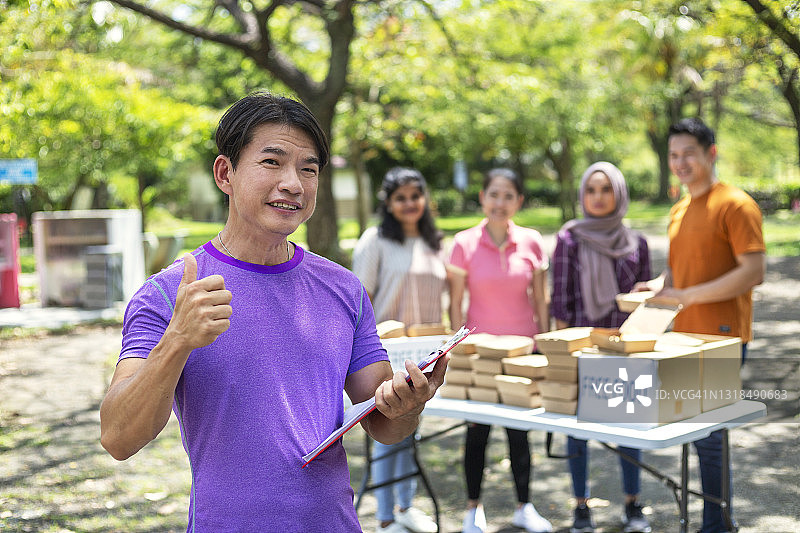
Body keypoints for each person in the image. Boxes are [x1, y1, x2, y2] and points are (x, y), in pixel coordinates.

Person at [99, 92, 449, 532]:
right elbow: (118, 437)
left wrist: (409, 405)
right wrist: (178, 339)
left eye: (309, 169)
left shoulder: (343, 288)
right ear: (225, 173)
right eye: (272, 162)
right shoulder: (170, 294)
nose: (294, 184)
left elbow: (385, 425)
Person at [634, 117, 766, 533]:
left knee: (709, 439)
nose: (680, 162)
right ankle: (711, 520)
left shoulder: (736, 204)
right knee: (694, 433)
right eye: (673, 155)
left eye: (688, 153)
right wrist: (656, 287)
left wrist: (686, 296)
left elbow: (753, 271)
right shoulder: (678, 210)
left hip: (723, 338)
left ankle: (717, 525)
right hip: (684, 337)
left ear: (711, 152)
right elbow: (678, 272)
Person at [448, 168, 552, 533]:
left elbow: (541, 300)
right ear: (482, 196)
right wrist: (454, 353)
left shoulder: (532, 241)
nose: (500, 202)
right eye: (494, 194)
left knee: (519, 433)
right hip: (479, 356)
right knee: (477, 434)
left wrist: (544, 345)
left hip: (522, 353)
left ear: (519, 201)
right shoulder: (463, 243)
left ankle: (525, 506)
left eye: (509, 196)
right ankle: (472, 509)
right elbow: (456, 305)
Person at [550, 162, 652, 533]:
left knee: (629, 427)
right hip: (581, 346)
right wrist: (565, 356)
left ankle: (633, 505)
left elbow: (645, 304)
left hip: (623, 348)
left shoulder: (636, 242)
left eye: (605, 189)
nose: (597, 197)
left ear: (619, 194)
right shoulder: (569, 239)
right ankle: (581, 507)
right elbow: (560, 302)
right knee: (577, 429)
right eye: (591, 189)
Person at [351, 167, 446, 533]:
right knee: (387, 432)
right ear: (388, 203)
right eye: (400, 198)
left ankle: (405, 506)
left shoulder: (433, 240)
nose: (409, 204)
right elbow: (360, 300)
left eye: (415, 196)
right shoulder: (374, 240)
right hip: (385, 353)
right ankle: (386, 517)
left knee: (411, 429)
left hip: (425, 354)